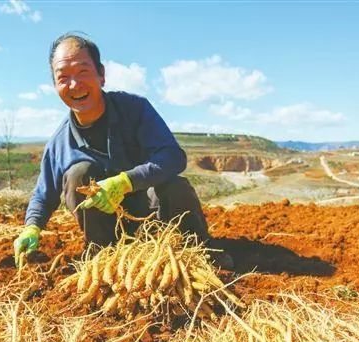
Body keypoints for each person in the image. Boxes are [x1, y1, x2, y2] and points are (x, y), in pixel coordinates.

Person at [13, 32, 232, 269]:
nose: (74, 85)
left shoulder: (135, 110)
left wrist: (126, 181)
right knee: (78, 173)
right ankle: (105, 259)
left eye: (83, 72)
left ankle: (200, 251)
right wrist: (31, 227)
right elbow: (43, 195)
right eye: (63, 77)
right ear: (56, 85)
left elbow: (173, 156)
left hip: (157, 222)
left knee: (175, 186)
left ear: (101, 75)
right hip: (109, 236)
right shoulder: (59, 143)